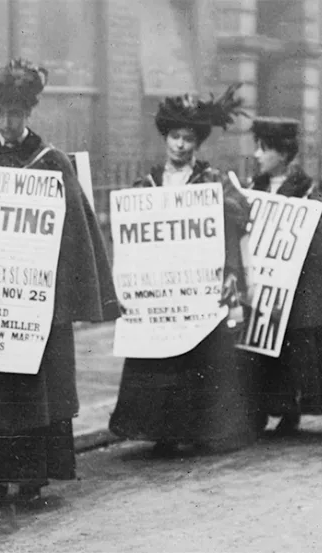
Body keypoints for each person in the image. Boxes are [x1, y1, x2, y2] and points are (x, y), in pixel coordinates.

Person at [0, 59, 120, 507]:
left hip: (33, 305)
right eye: (1, 114)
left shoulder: (52, 163)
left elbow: (77, 236)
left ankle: (29, 475)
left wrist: (60, 297)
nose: (9, 123)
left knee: (29, 392)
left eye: (17, 114)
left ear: (30, 114)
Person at [108, 86, 259, 455]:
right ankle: (161, 430)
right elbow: (129, 234)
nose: (180, 145)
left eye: (188, 138)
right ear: (166, 138)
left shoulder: (212, 181)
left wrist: (221, 204)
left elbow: (242, 215)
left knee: (198, 357)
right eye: (175, 137)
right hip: (160, 288)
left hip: (197, 288)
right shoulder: (148, 183)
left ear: (197, 142)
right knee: (160, 358)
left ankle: (198, 429)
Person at [249, 116, 322, 434]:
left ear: (282, 153)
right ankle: (264, 407)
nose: (257, 155)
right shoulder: (256, 185)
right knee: (259, 349)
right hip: (265, 283)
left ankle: (290, 408)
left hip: (296, 285)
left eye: (263, 149)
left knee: (293, 348)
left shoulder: (308, 190)